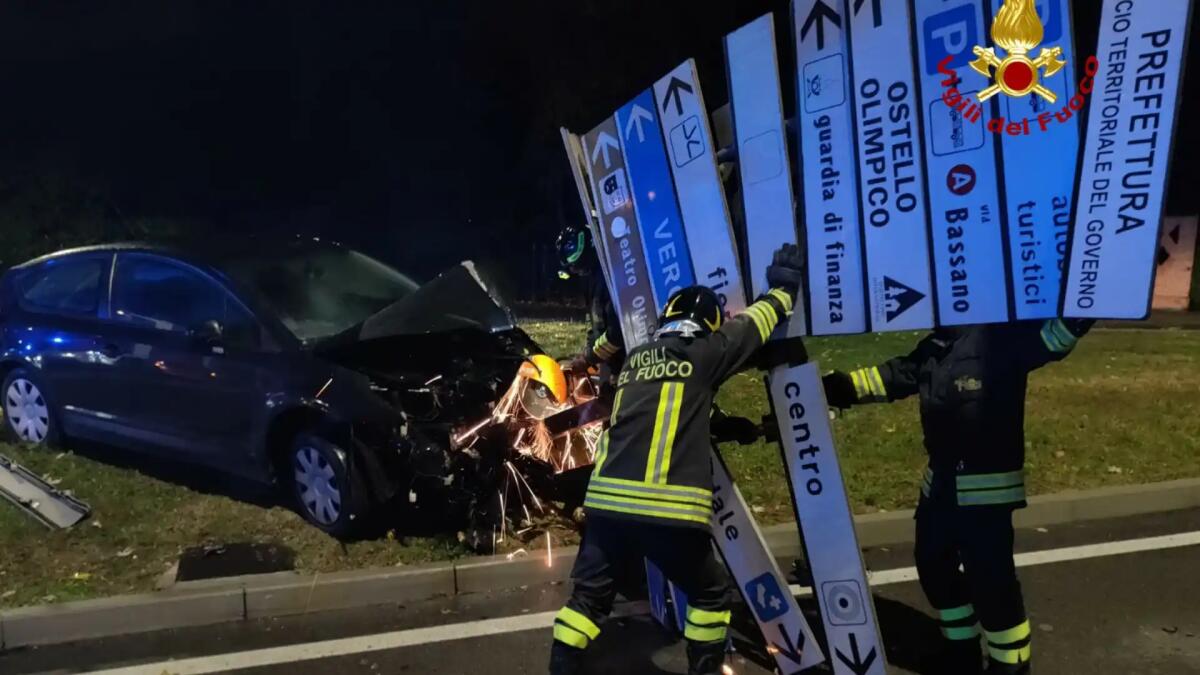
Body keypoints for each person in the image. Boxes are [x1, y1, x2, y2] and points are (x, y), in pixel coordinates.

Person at [548, 244, 806, 675]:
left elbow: (665, 415)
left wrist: (727, 427)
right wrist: (783, 289)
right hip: (665, 510)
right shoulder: (701, 354)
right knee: (709, 593)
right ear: (706, 325)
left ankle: (561, 667)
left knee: (589, 600)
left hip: (606, 507)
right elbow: (751, 327)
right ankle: (704, 669)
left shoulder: (635, 363)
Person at [821, 318, 1093, 675]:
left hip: (987, 492)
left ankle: (1010, 663)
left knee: (991, 581)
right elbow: (895, 375)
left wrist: (1083, 310)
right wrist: (836, 387)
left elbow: (1053, 340)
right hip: (941, 486)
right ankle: (961, 651)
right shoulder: (936, 346)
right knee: (933, 566)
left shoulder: (1001, 340)